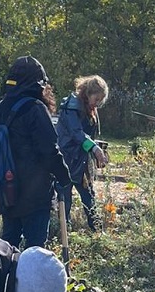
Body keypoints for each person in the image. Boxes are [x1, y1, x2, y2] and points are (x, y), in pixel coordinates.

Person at [0, 56, 72, 248]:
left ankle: (6, 277)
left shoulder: (0, 108)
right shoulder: (36, 109)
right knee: (35, 247)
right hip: (34, 191)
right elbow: (49, 151)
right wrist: (65, 177)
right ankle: (30, 277)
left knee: (8, 244)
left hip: (8, 186)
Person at [56, 75, 109, 232]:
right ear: (88, 93)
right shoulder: (71, 107)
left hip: (82, 158)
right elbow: (76, 133)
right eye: (97, 98)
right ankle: (64, 233)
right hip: (67, 157)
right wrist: (94, 148)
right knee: (65, 197)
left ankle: (97, 230)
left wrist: (98, 147)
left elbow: (87, 135)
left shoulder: (89, 108)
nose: (98, 103)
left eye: (101, 100)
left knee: (88, 195)